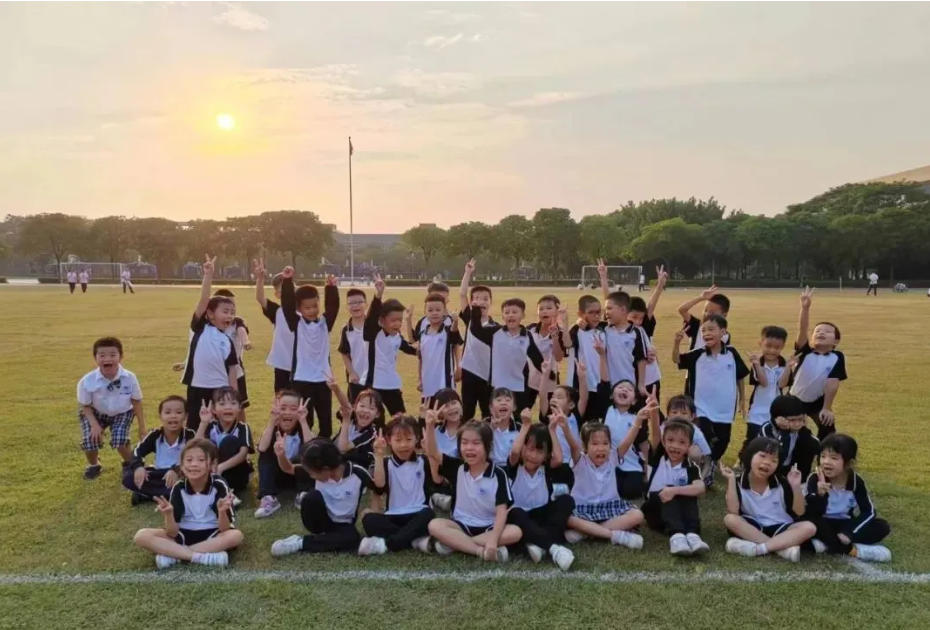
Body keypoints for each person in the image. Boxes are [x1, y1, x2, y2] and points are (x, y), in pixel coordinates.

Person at [132, 438, 243, 569]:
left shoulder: (219, 484)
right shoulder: (179, 487)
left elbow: (224, 529)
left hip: (213, 534)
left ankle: (174, 554)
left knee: (236, 536)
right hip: (182, 534)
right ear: (182, 466)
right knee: (141, 536)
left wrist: (222, 511)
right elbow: (172, 533)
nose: (194, 464)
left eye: (201, 460)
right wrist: (169, 514)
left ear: (212, 465)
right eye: (189, 460)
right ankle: (200, 557)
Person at [423, 416, 522, 562]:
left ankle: (456, 543)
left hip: (489, 527)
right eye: (464, 443)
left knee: (515, 532)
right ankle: (479, 551)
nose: (469, 448)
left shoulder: (498, 474)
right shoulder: (457, 468)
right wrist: (430, 426)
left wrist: (493, 540)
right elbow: (432, 453)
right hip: (461, 525)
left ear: (488, 446)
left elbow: (502, 512)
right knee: (434, 525)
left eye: (476, 443)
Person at [270, 438, 377, 556]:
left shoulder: (358, 473)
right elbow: (288, 468)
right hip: (320, 521)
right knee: (311, 497)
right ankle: (324, 537)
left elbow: (378, 488)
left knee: (353, 538)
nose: (311, 476)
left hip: (344, 525)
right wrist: (281, 455)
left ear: (325, 469)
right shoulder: (319, 473)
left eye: (312, 473)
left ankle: (300, 542)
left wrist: (373, 511)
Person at [720, 437, 816, 562]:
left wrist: (796, 487)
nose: (767, 462)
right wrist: (731, 480)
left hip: (781, 528)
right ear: (750, 455)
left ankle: (759, 549)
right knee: (730, 519)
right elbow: (733, 511)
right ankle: (781, 549)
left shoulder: (782, 482)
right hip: (753, 528)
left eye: (774, 460)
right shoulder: (738, 482)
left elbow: (799, 512)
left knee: (809, 527)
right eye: (762, 456)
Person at [504, 412, 576, 570]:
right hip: (520, 516)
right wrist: (525, 426)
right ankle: (553, 548)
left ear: (546, 455)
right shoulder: (516, 466)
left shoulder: (545, 468)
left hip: (542, 514)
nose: (533, 455)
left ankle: (537, 544)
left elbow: (558, 458)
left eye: (539, 451)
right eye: (529, 449)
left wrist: (552, 429)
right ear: (523, 447)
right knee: (515, 513)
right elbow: (515, 452)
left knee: (567, 501)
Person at [674, 314, 749, 464]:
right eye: (703, 330)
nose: (706, 333)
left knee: (723, 440)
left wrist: (742, 399)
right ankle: (697, 462)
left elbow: (740, 376)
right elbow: (677, 359)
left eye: (711, 329)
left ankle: (710, 462)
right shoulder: (698, 354)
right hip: (701, 407)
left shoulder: (732, 354)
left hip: (724, 408)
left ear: (723, 332)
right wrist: (676, 343)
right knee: (705, 434)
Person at [804, 433, 891, 562]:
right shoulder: (815, 478)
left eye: (834, 458)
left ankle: (823, 545)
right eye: (823, 456)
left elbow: (869, 512)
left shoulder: (856, 481)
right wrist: (820, 495)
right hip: (821, 522)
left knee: (882, 526)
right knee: (809, 525)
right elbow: (809, 513)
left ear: (849, 463)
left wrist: (849, 532)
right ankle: (853, 550)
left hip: (844, 524)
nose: (826, 462)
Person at [643, 391, 709, 556]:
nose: (675, 446)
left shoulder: (689, 465)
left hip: (679, 511)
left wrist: (676, 490)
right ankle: (677, 537)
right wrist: (654, 410)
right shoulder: (659, 456)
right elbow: (655, 433)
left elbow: (700, 488)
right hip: (655, 510)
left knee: (686, 493)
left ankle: (693, 535)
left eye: (681, 442)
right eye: (670, 441)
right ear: (664, 442)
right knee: (668, 492)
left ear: (689, 446)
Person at [561, 420, 645, 549]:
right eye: (595, 443)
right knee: (568, 519)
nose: (601, 448)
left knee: (637, 515)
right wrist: (565, 427)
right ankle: (615, 536)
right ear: (585, 447)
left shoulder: (612, 458)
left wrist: (638, 420)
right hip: (583, 508)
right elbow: (573, 446)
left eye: (605, 443)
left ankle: (585, 533)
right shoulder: (580, 461)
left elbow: (627, 442)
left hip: (609, 506)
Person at [358, 416, 435, 555]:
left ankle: (387, 544)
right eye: (398, 440)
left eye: (409, 439)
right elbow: (379, 486)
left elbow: (437, 479)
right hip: (393, 516)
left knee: (429, 514)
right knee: (369, 519)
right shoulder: (385, 462)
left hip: (418, 513)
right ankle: (415, 541)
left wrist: (430, 453)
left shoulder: (423, 461)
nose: (403, 445)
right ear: (389, 440)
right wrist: (379, 455)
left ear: (417, 438)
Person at [280, 266, 340, 438]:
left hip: (323, 380)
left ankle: (324, 447)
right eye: (307, 308)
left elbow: (333, 307)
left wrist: (331, 288)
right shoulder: (296, 323)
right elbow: (287, 305)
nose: (312, 310)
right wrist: (287, 281)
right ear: (299, 309)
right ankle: (303, 447)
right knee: (305, 420)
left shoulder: (324, 323)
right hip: (302, 379)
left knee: (325, 421)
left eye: (315, 306)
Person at [180, 254, 238, 431]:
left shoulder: (227, 341)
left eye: (232, 312)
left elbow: (232, 370)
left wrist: (233, 396)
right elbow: (204, 300)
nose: (229, 316)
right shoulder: (200, 328)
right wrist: (208, 275)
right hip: (197, 387)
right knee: (195, 426)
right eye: (225, 311)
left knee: (220, 427)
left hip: (220, 391)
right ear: (210, 314)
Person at [77, 336, 145, 480]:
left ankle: (130, 464)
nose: (107, 359)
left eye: (113, 355)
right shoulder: (87, 381)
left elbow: (137, 402)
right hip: (95, 412)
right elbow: (85, 406)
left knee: (120, 439)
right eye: (102, 355)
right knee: (90, 440)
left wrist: (142, 427)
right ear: (95, 358)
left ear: (121, 357)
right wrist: (95, 425)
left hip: (122, 412)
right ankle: (94, 465)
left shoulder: (130, 377)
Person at [466, 297, 545, 412]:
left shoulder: (527, 336)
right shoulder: (495, 333)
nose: (510, 315)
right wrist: (475, 311)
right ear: (503, 316)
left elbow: (536, 356)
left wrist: (548, 373)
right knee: (496, 415)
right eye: (507, 312)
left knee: (519, 416)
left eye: (514, 312)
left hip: (519, 386)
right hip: (497, 385)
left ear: (523, 315)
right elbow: (476, 331)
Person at [789, 287, 847, 439]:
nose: (821, 333)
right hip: (794, 398)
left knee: (828, 428)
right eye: (818, 331)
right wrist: (805, 308)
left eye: (827, 332)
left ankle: (825, 453)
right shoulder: (805, 351)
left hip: (818, 401)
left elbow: (832, 383)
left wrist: (827, 408)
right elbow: (803, 329)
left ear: (836, 341)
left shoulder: (837, 357)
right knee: (793, 431)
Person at [123, 395, 194, 504]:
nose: (173, 416)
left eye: (179, 412)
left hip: (180, 474)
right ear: (160, 416)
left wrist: (176, 470)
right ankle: (167, 495)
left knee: (190, 481)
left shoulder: (190, 435)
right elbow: (137, 451)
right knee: (128, 476)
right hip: (159, 474)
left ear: (186, 416)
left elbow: (193, 458)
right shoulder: (155, 435)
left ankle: (147, 495)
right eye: (168, 412)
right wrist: (138, 467)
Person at [361, 274, 416, 415]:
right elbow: (371, 318)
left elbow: (409, 348)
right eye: (393, 320)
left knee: (400, 417)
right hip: (374, 385)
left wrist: (422, 350)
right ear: (381, 321)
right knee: (373, 418)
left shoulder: (397, 336)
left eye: (400, 320)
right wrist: (378, 296)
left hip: (391, 384)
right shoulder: (374, 334)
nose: (397, 323)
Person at [254, 390, 314, 518]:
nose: (287, 412)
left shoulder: (302, 429)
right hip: (277, 476)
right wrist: (272, 421)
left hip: (297, 476)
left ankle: (303, 494)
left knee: (307, 456)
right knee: (265, 455)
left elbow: (312, 449)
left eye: (293, 409)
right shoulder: (273, 429)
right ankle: (268, 497)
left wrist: (303, 421)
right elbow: (262, 448)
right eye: (283, 408)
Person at [194, 387, 253, 495]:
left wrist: (221, 467)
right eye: (222, 404)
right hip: (212, 471)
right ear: (214, 409)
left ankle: (223, 489)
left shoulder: (242, 427)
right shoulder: (210, 426)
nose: (228, 407)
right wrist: (203, 423)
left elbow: (243, 454)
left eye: (233, 403)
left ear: (239, 408)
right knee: (208, 445)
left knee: (229, 441)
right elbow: (194, 447)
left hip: (235, 473)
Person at [458, 258, 495, 420]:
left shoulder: (495, 327)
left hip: (487, 375)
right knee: (467, 410)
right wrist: (467, 273)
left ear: (490, 302)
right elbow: (462, 294)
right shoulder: (470, 319)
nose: (481, 301)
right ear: (472, 302)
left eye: (485, 299)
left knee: (488, 412)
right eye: (477, 298)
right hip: (469, 372)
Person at [625, 265, 668, 402]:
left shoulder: (642, 327)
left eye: (641, 318)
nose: (638, 321)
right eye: (634, 317)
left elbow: (651, 305)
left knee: (653, 409)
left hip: (651, 378)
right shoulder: (619, 329)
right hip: (631, 379)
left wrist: (660, 285)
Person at [409, 292, 464, 399]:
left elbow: (454, 331)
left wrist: (455, 321)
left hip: (445, 383)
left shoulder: (447, 331)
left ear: (444, 311)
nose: (434, 313)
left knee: (447, 408)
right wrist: (420, 379)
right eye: (430, 310)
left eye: (438, 310)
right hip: (428, 384)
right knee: (427, 409)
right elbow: (421, 359)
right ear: (425, 312)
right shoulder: (422, 334)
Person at [253, 259, 295, 393]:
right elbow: (260, 298)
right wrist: (260, 279)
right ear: (277, 295)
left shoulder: (305, 312)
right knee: (281, 398)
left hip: (301, 365)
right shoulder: (277, 312)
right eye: (283, 290)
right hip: (282, 364)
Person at [745, 326, 792, 442]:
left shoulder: (784, 364)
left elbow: (781, 385)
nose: (772, 350)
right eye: (768, 346)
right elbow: (764, 383)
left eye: (777, 347)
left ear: (783, 346)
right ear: (760, 343)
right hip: (757, 412)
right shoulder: (757, 364)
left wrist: (788, 367)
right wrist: (757, 365)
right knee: (752, 441)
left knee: (772, 442)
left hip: (777, 413)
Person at [757, 395, 820, 480]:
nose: (797, 424)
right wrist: (784, 432)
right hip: (769, 471)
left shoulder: (800, 430)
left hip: (791, 471)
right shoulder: (767, 429)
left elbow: (817, 445)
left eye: (800, 419)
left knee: (808, 444)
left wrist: (804, 431)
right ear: (778, 418)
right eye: (792, 420)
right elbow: (777, 455)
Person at [538, 356, 589, 460]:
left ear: (571, 405)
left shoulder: (575, 417)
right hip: (554, 461)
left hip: (574, 462)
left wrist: (582, 377)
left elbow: (583, 398)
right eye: (553, 397)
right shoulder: (549, 416)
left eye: (559, 397)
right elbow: (542, 395)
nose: (554, 399)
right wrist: (545, 374)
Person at [564, 294, 606, 415]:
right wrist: (565, 322)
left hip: (600, 385)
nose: (596, 316)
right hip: (580, 386)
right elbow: (567, 344)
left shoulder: (604, 329)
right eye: (591, 312)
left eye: (598, 312)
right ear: (581, 314)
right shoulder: (576, 330)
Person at [426, 388, 465, 512]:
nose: (452, 408)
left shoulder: (470, 429)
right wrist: (429, 425)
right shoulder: (436, 432)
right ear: (440, 411)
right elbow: (431, 454)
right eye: (446, 406)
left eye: (454, 403)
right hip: (440, 479)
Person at [525, 295, 567, 409]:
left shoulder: (560, 332)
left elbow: (559, 358)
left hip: (550, 378)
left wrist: (555, 338)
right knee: (523, 410)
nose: (544, 311)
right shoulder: (530, 329)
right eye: (541, 309)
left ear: (557, 311)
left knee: (548, 413)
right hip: (530, 378)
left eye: (549, 308)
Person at [665, 394, 714, 486]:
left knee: (695, 452)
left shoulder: (696, 432)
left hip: (687, 458)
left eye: (684, 413)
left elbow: (707, 456)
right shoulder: (664, 428)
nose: (678, 416)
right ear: (668, 415)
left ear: (692, 416)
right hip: (668, 457)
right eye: (674, 412)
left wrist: (702, 478)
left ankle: (694, 474)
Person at [333, 382, 384, 468]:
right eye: (362, 406)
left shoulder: (371, 433)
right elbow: (345, 405)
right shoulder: (352, 416)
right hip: (338, 456)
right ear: (355, 407)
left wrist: (346, 420)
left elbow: (343, 448)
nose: (366, 410)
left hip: (356, 464)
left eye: (371, 408)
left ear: (377, 414)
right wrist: (336, 389)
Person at [337, 287, 369, 402]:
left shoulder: (374, 325)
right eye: (351, 303)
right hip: (356, 378)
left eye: (359, 302)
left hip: (374, 377)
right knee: (355, 407)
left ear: (366, 304)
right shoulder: (346, 329)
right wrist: (351, 372)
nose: (355, 306)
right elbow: (344, 353)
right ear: (347, 306)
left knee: (375, 407)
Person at [677, 285, 732, 350]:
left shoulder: (725, 335)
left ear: (724, 315)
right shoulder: (696, 326)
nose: (707, 314)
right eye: (705, 310)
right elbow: (682, 310)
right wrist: (701, 298)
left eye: (712, 312)